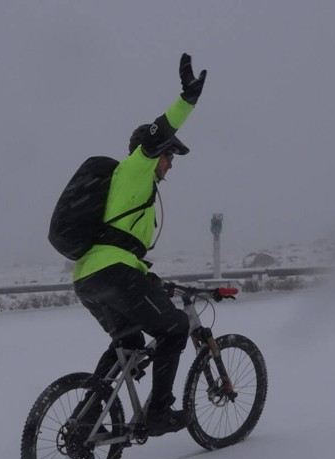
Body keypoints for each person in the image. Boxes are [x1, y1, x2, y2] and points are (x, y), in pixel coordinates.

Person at [72, 53, 207, 437]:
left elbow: (122, 248)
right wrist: (188, 100)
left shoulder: (135, 196)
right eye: (168, 156)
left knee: (128, 342)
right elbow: (157, 131)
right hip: (111, 274)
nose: (170, 164)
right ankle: (160, 412)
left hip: (90, 278)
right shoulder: (133, 170)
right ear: (152, 154)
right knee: (175, 328)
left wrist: (149, 279)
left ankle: (86, 417)